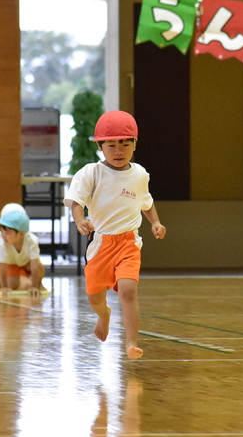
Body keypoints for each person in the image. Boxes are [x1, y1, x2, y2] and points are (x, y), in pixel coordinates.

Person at [63, 110, 166, 360]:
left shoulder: (140, 174)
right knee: (94, 298)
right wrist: (80, 220)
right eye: (111, 145)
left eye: (125, 144)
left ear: (134, 145)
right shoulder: (91, 173)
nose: (119, 151)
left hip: (129, 243)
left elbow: (146, 202)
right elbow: (76, 201)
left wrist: (156, 222)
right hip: (100, 244)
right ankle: (104, 314)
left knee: (129, 290)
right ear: (100, 146)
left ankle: (131, 342)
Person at [0, 205, 45, 296]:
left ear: (21, 234)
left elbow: (35, 266)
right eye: (1, 231)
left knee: (39, 267)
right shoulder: (2, 242)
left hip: (25, 264)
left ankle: (39, 284)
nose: (3, 235)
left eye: (7, 233)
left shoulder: (32, 241)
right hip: (11, 265)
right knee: (6, 283)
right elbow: (3, 267)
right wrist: (4, 286)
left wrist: (34, 286)